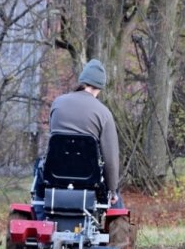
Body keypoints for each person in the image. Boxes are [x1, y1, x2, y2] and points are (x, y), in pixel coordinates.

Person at [32, 59, 123, 217]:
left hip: (55, 175)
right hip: (89, 178)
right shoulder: (104, 113)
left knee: (38, 172)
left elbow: (55, 142)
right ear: (100, 86)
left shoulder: (58, 103)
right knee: (118, 205)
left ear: (82, 80)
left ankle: (41, 220)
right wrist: (113, 191)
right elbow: (111, 160)